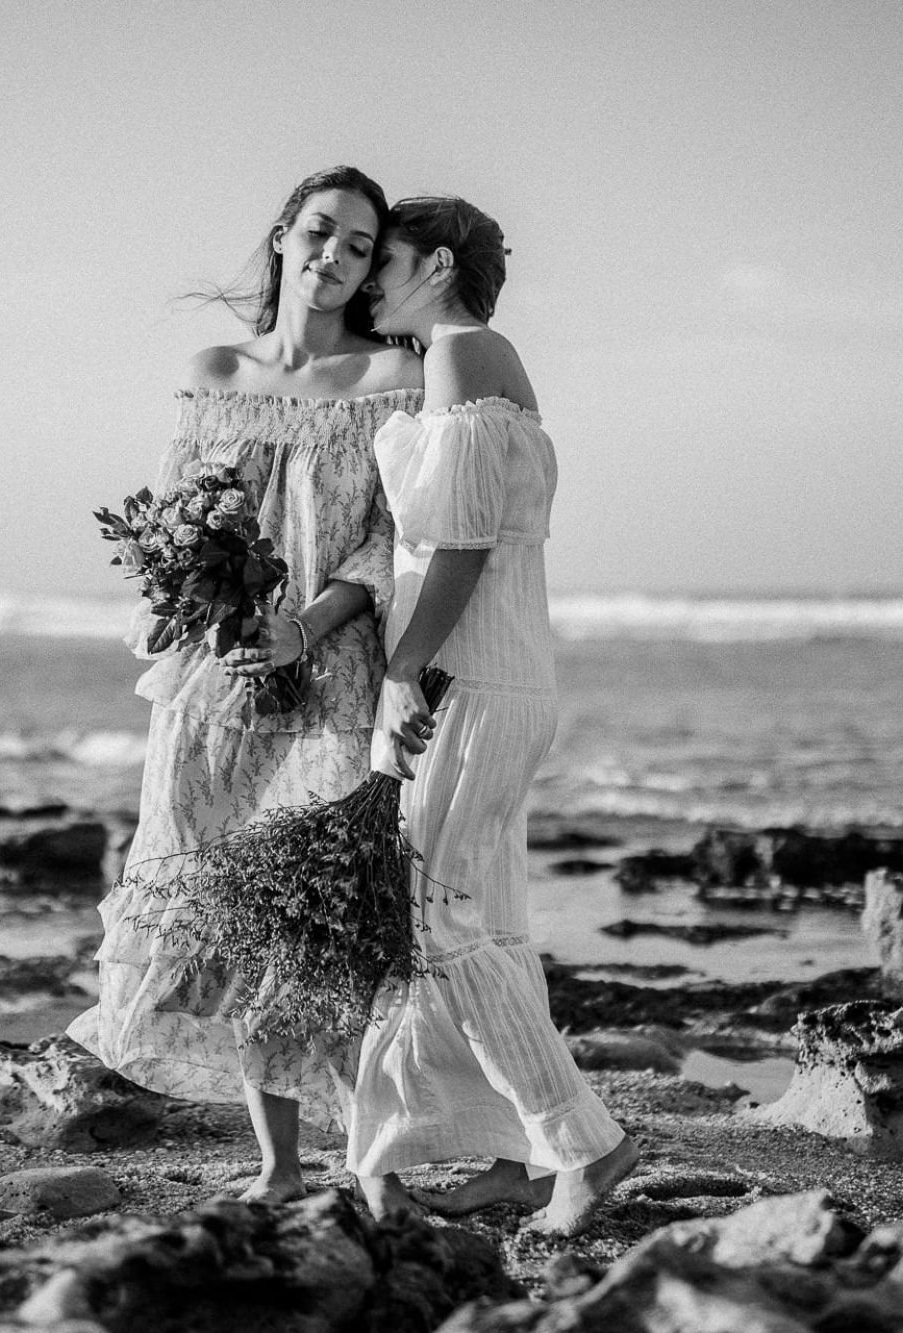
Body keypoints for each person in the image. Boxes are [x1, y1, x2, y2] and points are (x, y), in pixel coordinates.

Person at [69, 166, 423, 1204]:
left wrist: (300, 628)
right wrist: (210, 616)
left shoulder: (390, 377)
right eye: (319, 231)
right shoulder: (215, 371)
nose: (333, 256)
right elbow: (170, 525)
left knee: (317, 917)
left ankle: (368, 1161)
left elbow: (389, 540)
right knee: (229, 906)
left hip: (331, 678)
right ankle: (277, 1166)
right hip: (214, 682)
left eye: (358, 246)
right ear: (281, 236)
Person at [346, 196, 639, 1237]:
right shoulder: (477, 357)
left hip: (463, 681)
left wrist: (401, 673)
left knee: (441, 924)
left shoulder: (461, 354)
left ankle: (586, 1147)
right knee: (483, 920)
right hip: (499, 676)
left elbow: (461, 543)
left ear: (435, 265)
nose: (367, 281)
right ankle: (515, 1161)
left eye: (382, 260)